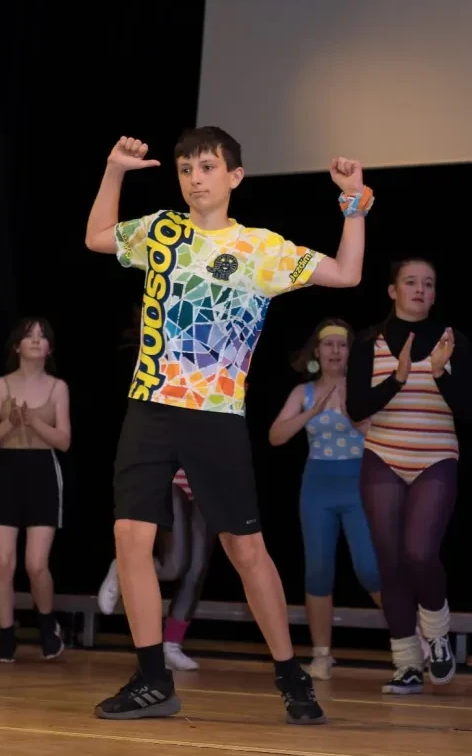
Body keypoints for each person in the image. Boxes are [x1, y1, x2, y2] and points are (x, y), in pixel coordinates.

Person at [83, 127, 370, 724]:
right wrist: (114, 171)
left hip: (215, 415)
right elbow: (96, 237)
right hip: (150, 406)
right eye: (186, 169)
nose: (196, 178)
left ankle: (290, 673)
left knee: (245, 548)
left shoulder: (260, 248)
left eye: (208, 167)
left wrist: (352, 203)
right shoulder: (161, 230)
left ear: (235, 177)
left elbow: (347, 273)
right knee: (130, 537)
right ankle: (152, 678)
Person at [345, 258, 472, 695]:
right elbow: (356, 408)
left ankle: (436, 635)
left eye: (428, 283)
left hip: (435, 457)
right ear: (393, 290)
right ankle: (406, 664)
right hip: (382, 457)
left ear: (435, 294)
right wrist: (397, 379)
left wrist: (438, 372)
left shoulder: (452, 340)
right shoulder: (368, 342)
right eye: (411, 282)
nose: (420, 289)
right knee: (390, 564)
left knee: (420, 553)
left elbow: (470, 410)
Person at [268, 318, 382, 680]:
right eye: (328, 344)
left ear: (350, 352)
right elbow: (275, 436)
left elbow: (382, 436)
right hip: (317, 487)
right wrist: (311, 412)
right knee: (318, 571)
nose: (335, 351)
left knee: (370, 568)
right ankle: (321, 655)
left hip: (359, 484)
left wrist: (352, 413)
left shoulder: (364, 389)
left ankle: (413, 642)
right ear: (316, 351)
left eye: (342, 344)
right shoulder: (302, 393)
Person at [0, 318, 71, 663]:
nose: (35, 340)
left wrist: (33, 422)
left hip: (42, 473)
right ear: (16, 346)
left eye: (42, 336)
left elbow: (64, 441)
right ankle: (6, 635)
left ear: (49, 349)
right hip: (6, 472)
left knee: (35, 564)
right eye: (29, 336)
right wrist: (11, 422)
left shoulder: (58, 388)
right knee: (3, 561)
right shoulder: (1, 385)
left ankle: (46, 624)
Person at [96, 468, 213, 672]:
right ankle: (123, 566)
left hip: (208, 484)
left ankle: (171, 646)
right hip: (173, 476)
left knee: (196, 570)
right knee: (175, 565)